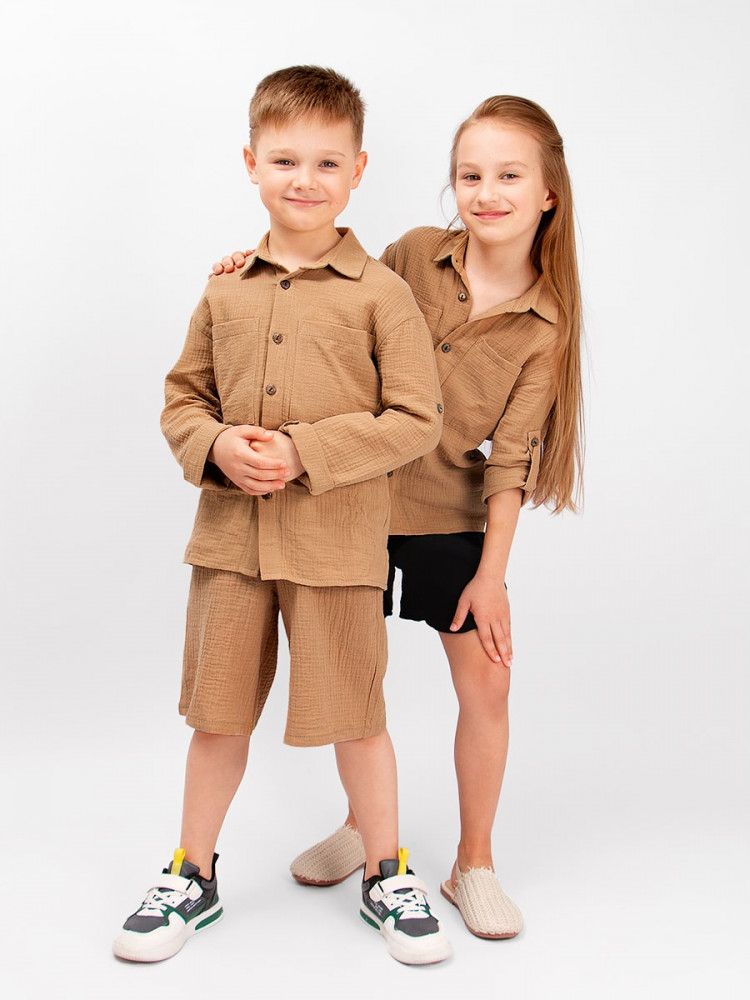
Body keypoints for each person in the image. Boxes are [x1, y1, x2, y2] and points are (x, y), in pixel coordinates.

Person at [210, 95, 583, 941]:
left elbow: (513, 458)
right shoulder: (415, 253)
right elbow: (335, 306)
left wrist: (492, 576)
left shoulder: (546, 324)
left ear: (548, 192)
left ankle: (473, 864)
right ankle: (364, 827)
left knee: (488, 682)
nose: (486, 193)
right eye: (470, 175)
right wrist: (255, 270)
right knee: (353, 675)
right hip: (348, 494)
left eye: (508, 176)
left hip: (446, 508)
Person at [113, 65, 452, 967]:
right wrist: (216, 444)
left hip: (338, 550)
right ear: (251, 163)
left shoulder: (381, 294)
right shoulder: (225, 288)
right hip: (230, 546)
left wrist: (306, 451)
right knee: (217, 717)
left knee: (357, 715)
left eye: (328, 162)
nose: (306, 179)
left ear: (359, 170)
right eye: (286, 160)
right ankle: (191, 873)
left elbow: (417, 419)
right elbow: (183, 398)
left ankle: (387, 872)